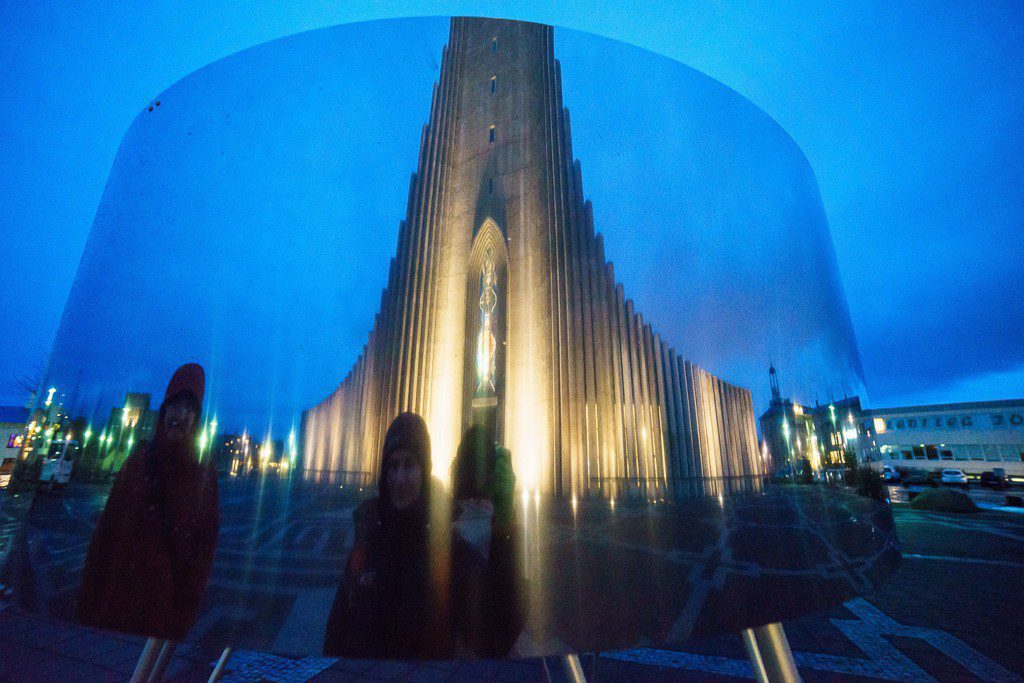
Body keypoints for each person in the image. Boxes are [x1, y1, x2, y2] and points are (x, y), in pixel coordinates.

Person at [323, 413, 523, 659]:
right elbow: (336, 635)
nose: (400, 478)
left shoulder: (448, 552)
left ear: (425, 470)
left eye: (409, 465)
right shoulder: (367, 546)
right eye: (393, 466)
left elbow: (496, 636)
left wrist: (505, 531)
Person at [75, 363, 220, 641]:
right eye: (175, 406)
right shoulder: (139, 461)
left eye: (189, 409)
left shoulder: (202, 472)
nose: (180, 416)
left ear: (197, 417)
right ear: (163, 410)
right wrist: (88, 601)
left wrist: (182, 616)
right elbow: (106, 533)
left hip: (161, 616)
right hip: (114, 605)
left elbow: (204, 549)